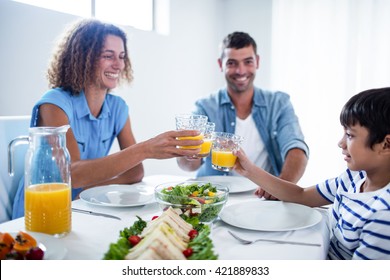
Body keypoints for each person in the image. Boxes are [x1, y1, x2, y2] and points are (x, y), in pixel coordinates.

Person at [12, 19, 202, 219]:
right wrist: (146, 149)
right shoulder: (54, 104)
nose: (119, 64)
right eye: (108, 55)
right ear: (83, 58)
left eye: (121, 56)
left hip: (82, 206)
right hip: (38, 212)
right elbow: (74, 174)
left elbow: (135, 172)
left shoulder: (117, 107)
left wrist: (86, 186)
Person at [234, 87, 390, 260]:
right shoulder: (354, 178)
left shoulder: (383, 215)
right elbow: (301, 195)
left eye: (350, 135)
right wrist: (249, 170)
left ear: (386, 144)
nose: (341, 143)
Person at [177, 31, 309, 187]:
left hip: (262, 196)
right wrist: (188, 154)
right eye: (232, 63)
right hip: (215, 194)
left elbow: (296, 149)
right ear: (221, 65)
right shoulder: (204, 107)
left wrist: (281, 188)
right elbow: (187, 165)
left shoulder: (279, 103)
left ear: (257, 62)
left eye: (248, 62)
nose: (240, 71)